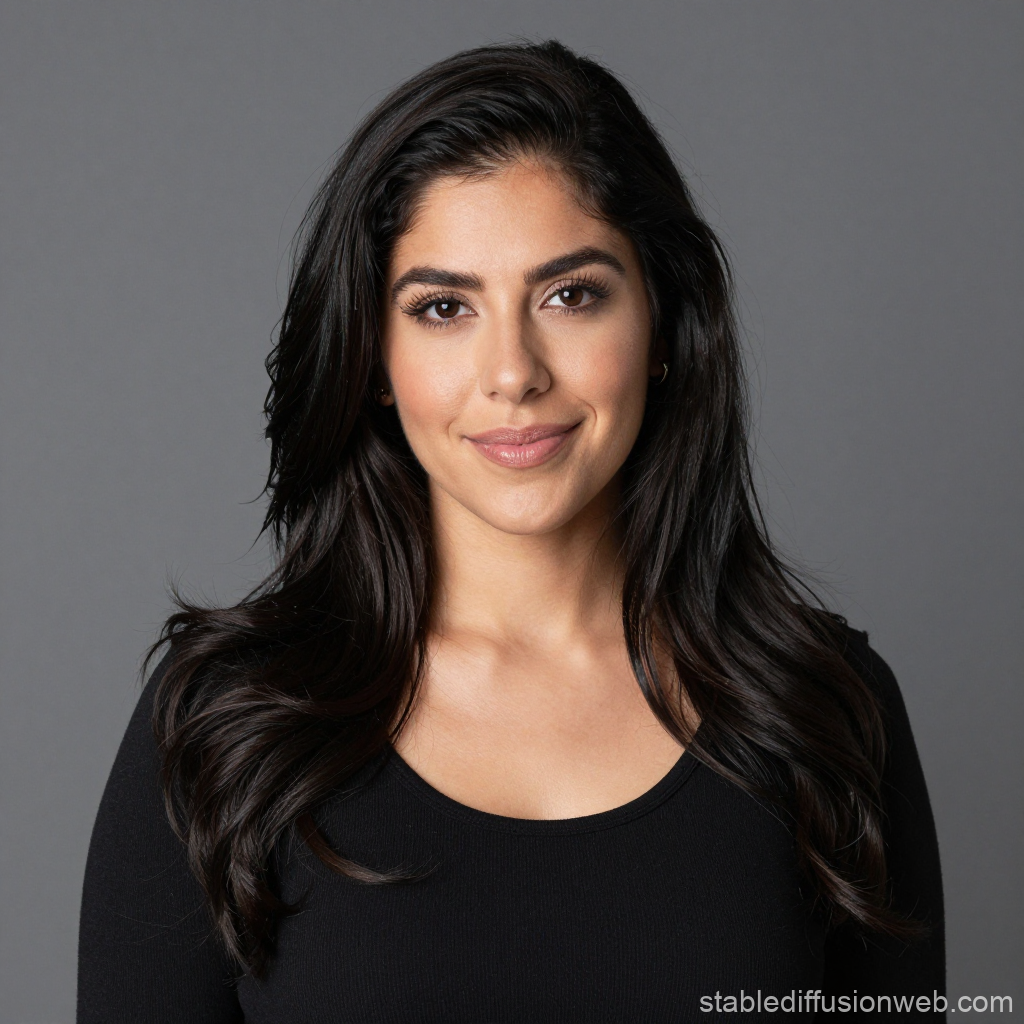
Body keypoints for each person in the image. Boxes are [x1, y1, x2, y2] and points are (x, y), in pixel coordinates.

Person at [78, 40, 944, 1022]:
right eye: (443, 307)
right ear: (373, 356)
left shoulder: (826, 714)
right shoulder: (222, 729)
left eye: (569, 295)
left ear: (660, 326)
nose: (512, 371)